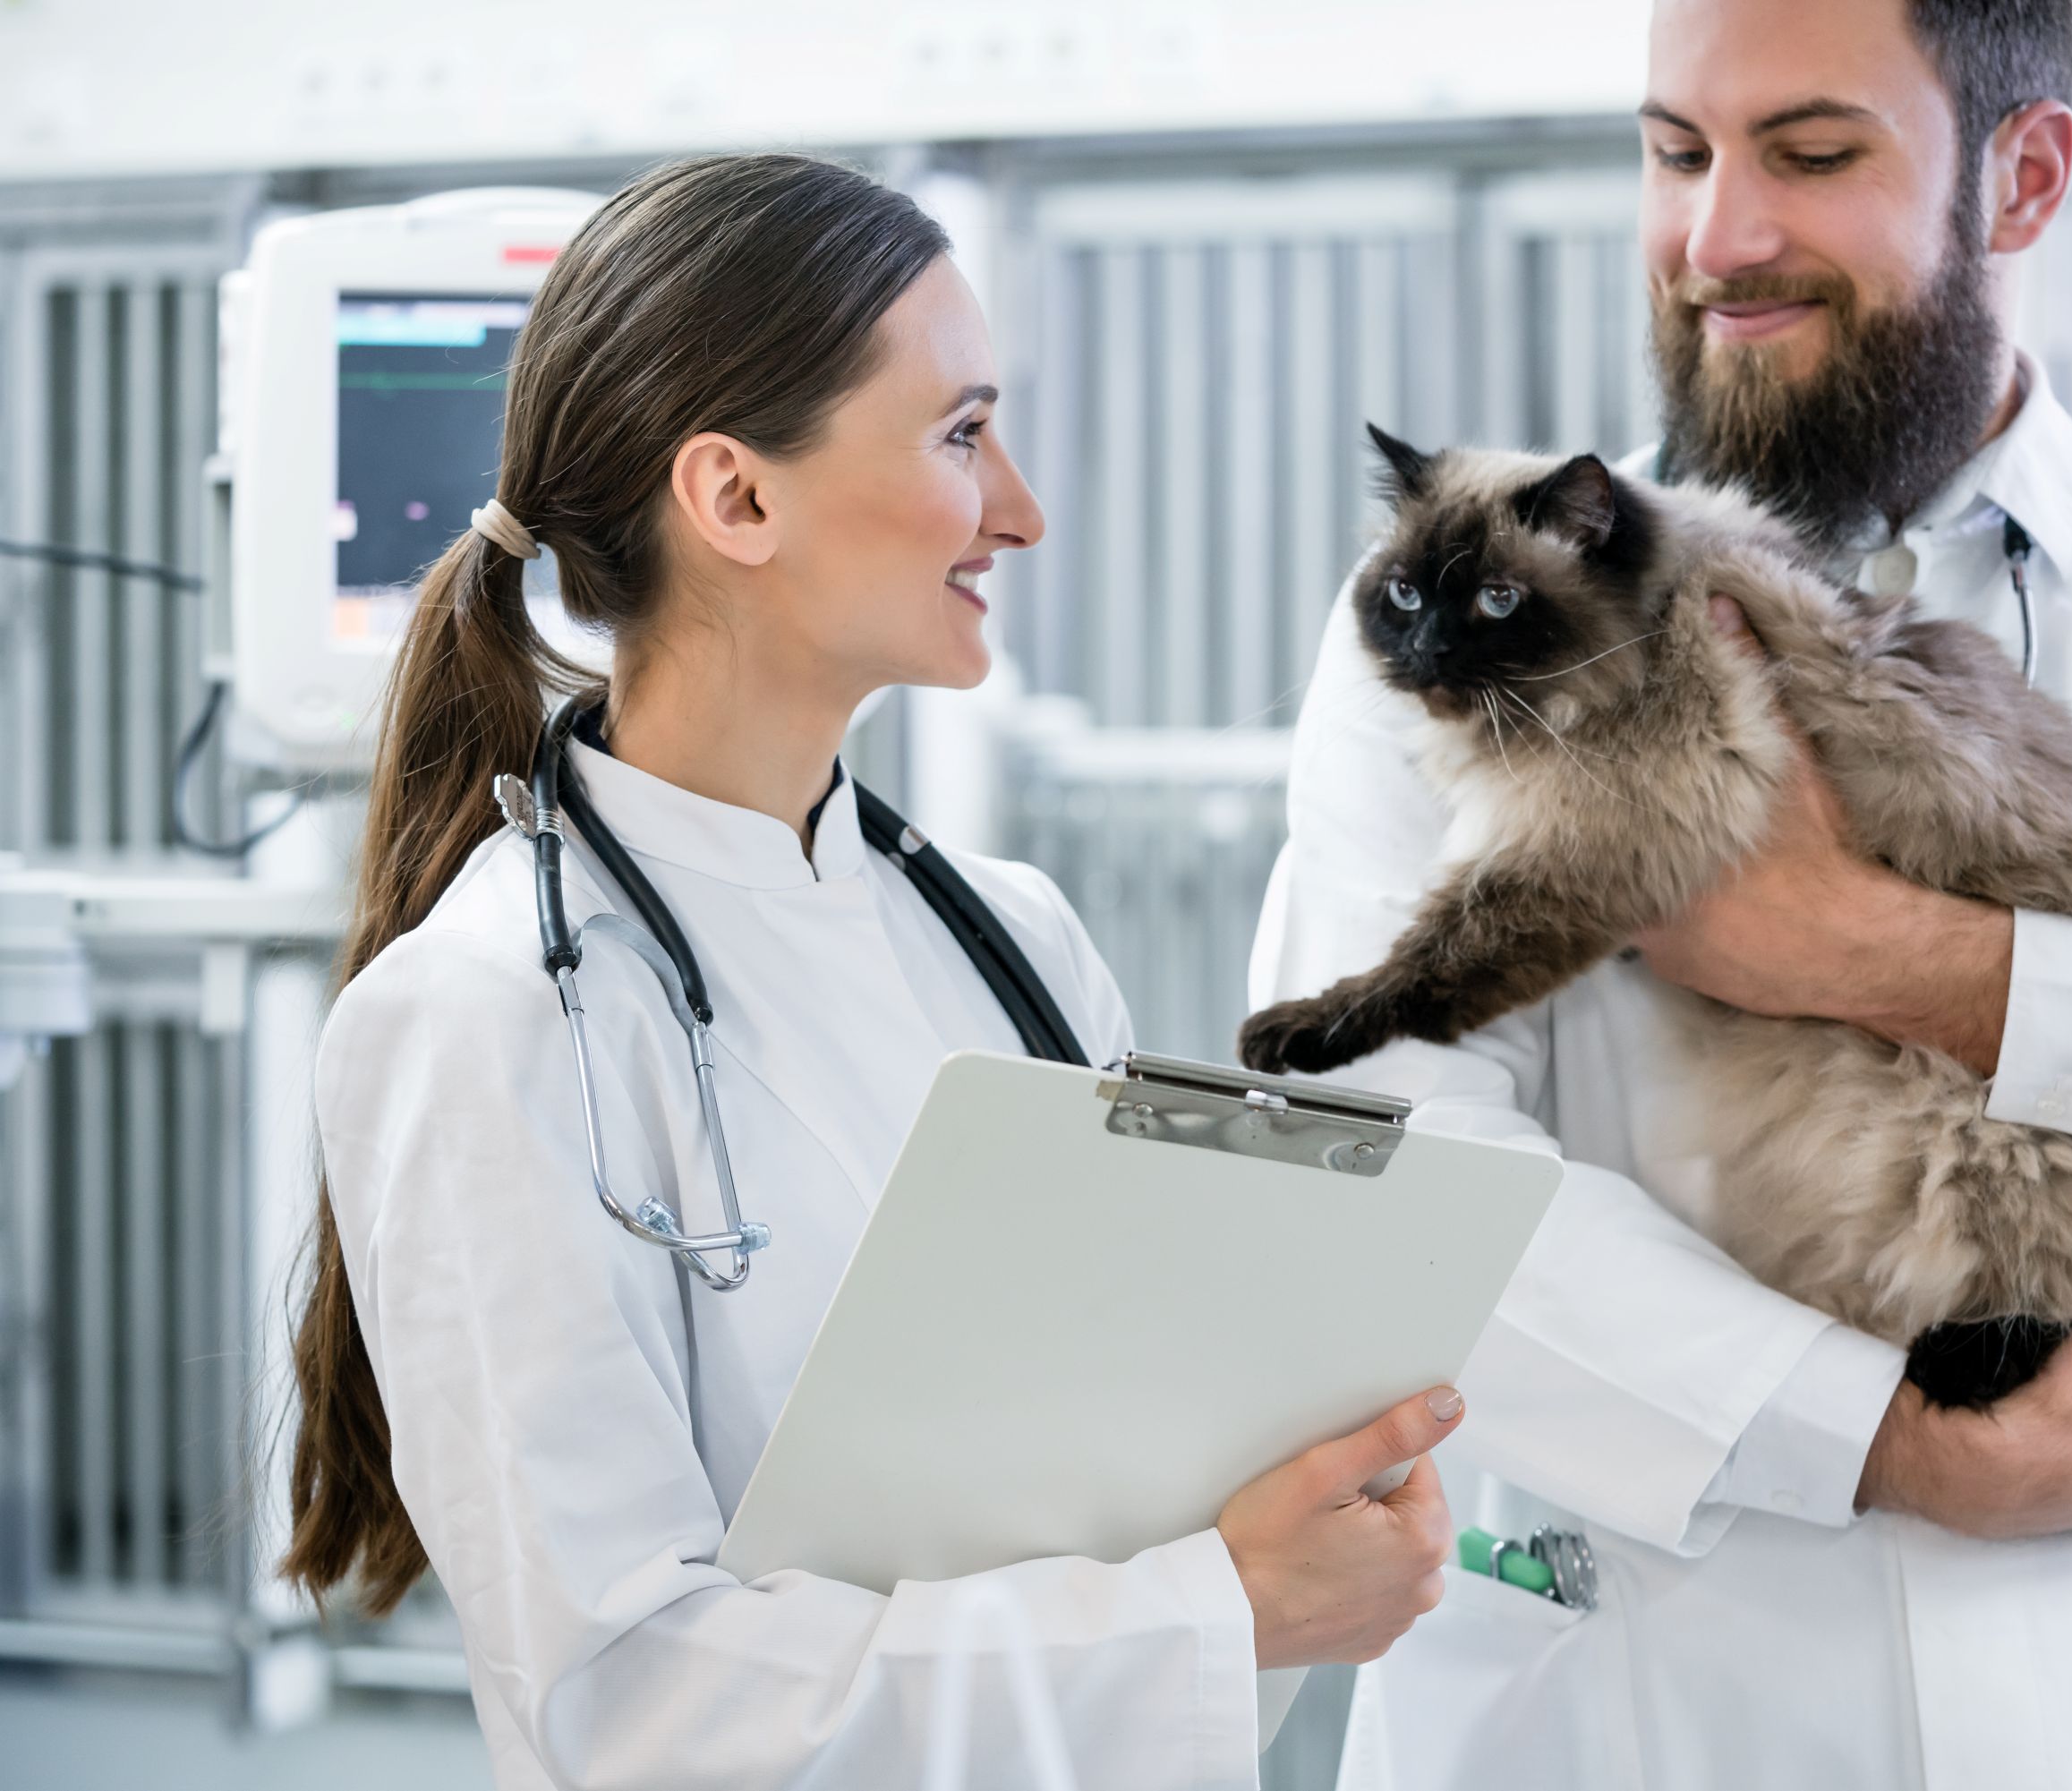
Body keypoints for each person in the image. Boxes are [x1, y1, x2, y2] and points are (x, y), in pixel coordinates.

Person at [1250, 3, 2072, 1788]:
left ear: (2022, 175)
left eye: (1811, 155)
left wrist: (1899, 954)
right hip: (1632, 1721)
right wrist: (1885, 1434)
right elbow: (1364, 1172)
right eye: (1675, 152)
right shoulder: (1481, 629)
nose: (1719, 236)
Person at [283, 153, 1460, 1791]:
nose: (1023, 510)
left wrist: (1289, 1495)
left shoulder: (1017, 942)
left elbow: (1114, 1496)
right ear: (736, 497)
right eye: (962, 435)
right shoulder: (488, 1013)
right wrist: (1228, 1606)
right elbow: (631, 1704)